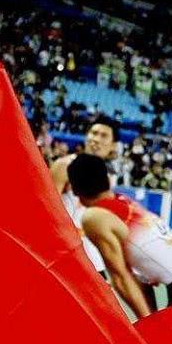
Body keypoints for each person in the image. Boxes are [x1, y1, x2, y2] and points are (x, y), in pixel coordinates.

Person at [68, 153, 172, 319]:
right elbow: (138, 274)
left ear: (74, 189)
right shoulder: (123, 200)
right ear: (107, 179)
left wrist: (148, 323)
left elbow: (121, 277)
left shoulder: (94, 216)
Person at [49, 116, 119, 276]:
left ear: (113, 145)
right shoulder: (64, 166)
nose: (96, 139)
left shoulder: (110, 175)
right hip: (65, 255)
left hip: (95, 259)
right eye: (94, 133)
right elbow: (47, 210)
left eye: (103, 136)